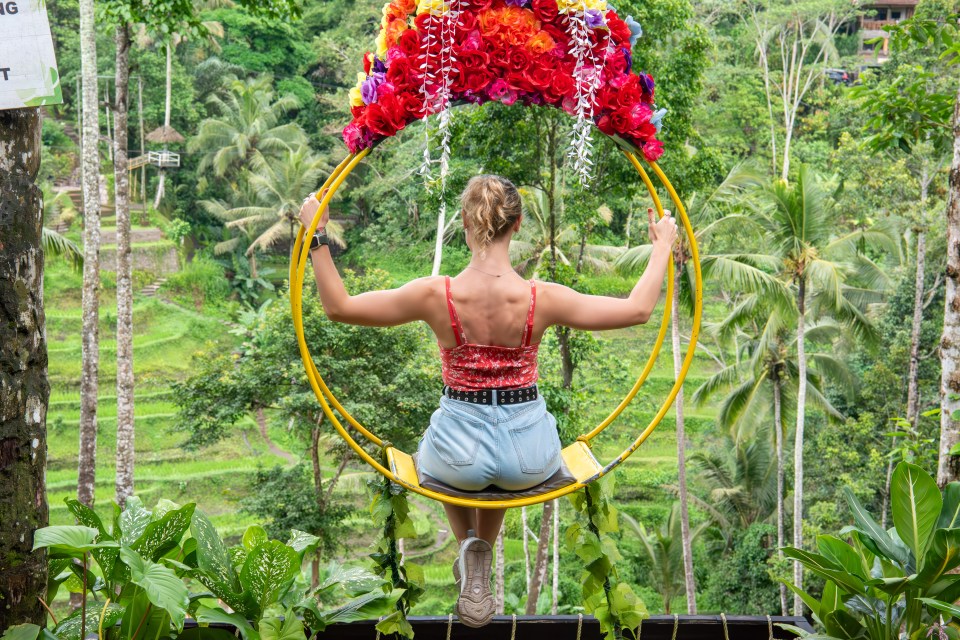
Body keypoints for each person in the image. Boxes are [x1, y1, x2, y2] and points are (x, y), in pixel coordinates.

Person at [298, 174, 677, 627]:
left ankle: (469, 547)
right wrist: (662, 247)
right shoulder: (543, 297)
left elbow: (339, 306)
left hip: (457, 457)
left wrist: (316, 236)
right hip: (530, 461)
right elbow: (636, 309)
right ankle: (483, 550)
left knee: (444, 451)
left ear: (464, 222)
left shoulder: (435, 294)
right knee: (495, 478)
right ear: (517, 225)